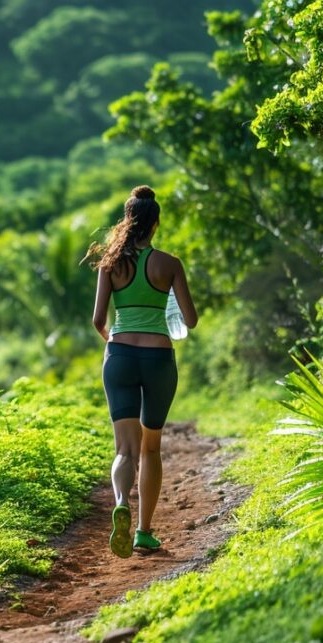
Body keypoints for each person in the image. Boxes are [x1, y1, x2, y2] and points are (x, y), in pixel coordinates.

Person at [88, 186, 198, 558]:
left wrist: (114, 342)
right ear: (155, 223)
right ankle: (143, 533)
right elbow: (191, 320)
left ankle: (121, 501)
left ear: (128, 221)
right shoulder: (169, 264)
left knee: (125, 449)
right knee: (151, 448)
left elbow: (98, 320)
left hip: (118, 355)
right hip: (157, 359)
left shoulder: (110, 263)